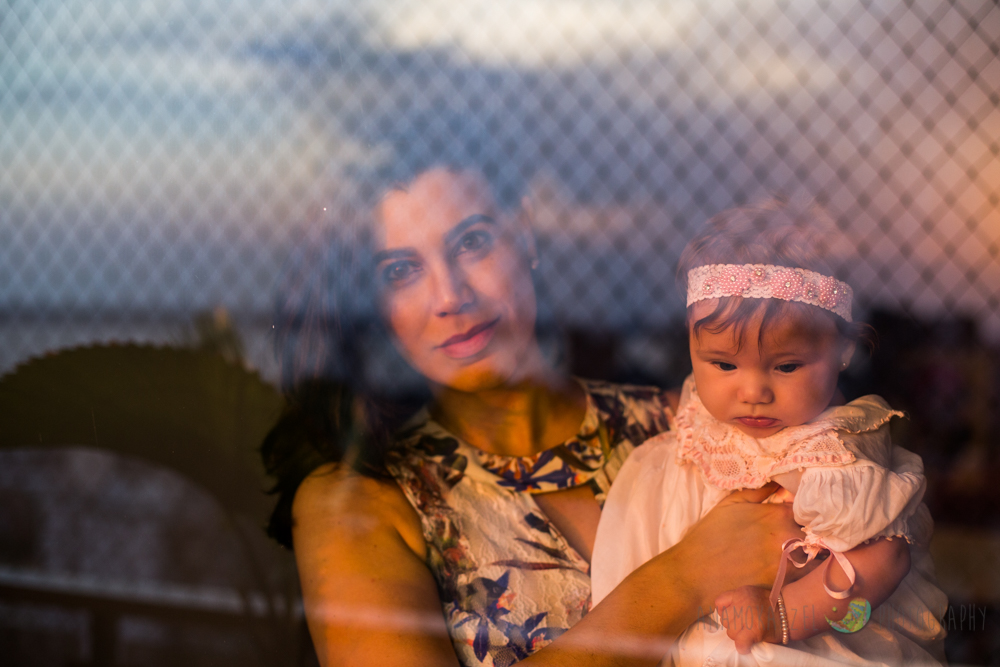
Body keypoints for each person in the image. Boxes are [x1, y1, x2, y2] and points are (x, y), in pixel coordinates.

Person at [261, 164, 829, 667]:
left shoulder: (689, 425)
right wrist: (684, 578)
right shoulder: (361, 500)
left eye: (471, 242)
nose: (449, 296)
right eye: (400, 271)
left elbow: (859, 593)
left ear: (524, 234)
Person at [590, 201, 948, 666]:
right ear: (692, 344)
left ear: (843, 351)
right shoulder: (686, 435)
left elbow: (885, 563)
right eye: (722, 364)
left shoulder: (838, 453)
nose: (753, 390)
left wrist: (783, 616)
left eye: (786, 366)